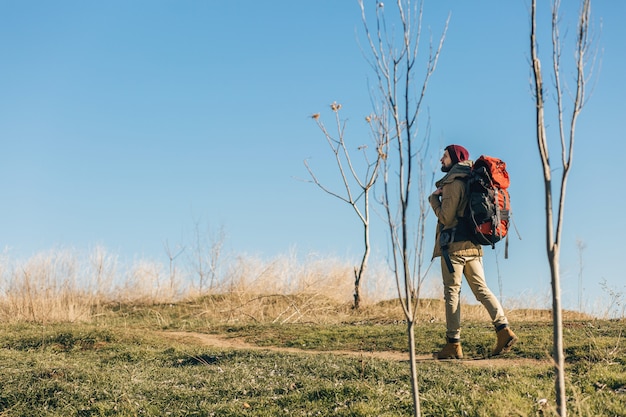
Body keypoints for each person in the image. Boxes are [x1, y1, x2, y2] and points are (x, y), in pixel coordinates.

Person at [429, 144, 518, 359]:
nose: (441, 160)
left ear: (454, 158)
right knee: (482, 290)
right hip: (474, 246)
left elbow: (446, 217)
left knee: (452, 294)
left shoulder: (453, 182)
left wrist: (434, 199)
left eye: (445, 156)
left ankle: (453, 344)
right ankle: (503, 329)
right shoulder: (472, 179)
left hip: (454, 248)